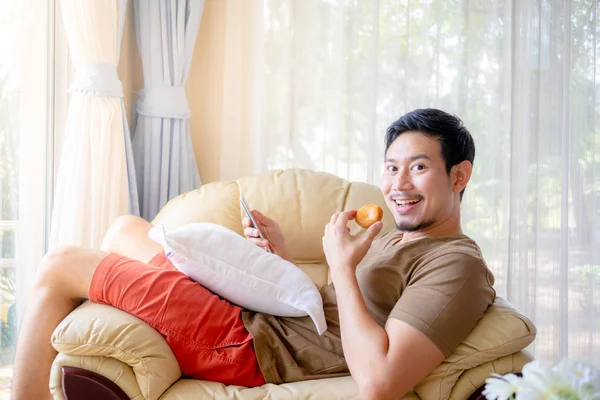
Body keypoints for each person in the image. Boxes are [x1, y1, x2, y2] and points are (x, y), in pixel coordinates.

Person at [11, 108, 495, 400]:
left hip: (248, 343)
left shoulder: (456, 264)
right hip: (259, 316)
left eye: (418, 168)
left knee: (59, 265)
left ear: (458, 176)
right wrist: (278, 260)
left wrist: (341, 267)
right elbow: (328, 312)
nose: (397, 185)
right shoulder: (397, 237)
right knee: (125, 229)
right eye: (391, 168)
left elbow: (381, 382)